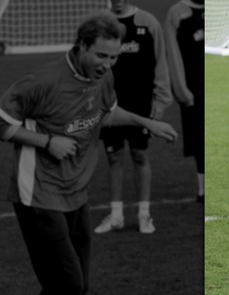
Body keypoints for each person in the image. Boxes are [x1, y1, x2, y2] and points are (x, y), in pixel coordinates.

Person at [0, 13, 178, 295]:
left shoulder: (103, 77)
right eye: (102, 55)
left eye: (114, 57)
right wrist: (46, 143)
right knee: (68, 285)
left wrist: (145, 121)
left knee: (76, 285)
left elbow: (104, 114)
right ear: (82, 45)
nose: (108, 64)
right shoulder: (42, 82)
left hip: (77, 193)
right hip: (37, 196)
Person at [94, 0, 172, 234]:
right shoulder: (100, 23)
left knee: (140, 155)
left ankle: (144, 215)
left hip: (141, 105)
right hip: (108, 105)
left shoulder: (148, 23)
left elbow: (161, 63)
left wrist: (160, 100)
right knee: (114, 157)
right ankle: (116, 216)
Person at [165, 0, 205, 204]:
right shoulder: (177, 13)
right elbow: (171, 54)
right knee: (198, 140)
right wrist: (181, 89)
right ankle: (202, 191)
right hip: (192, 90)